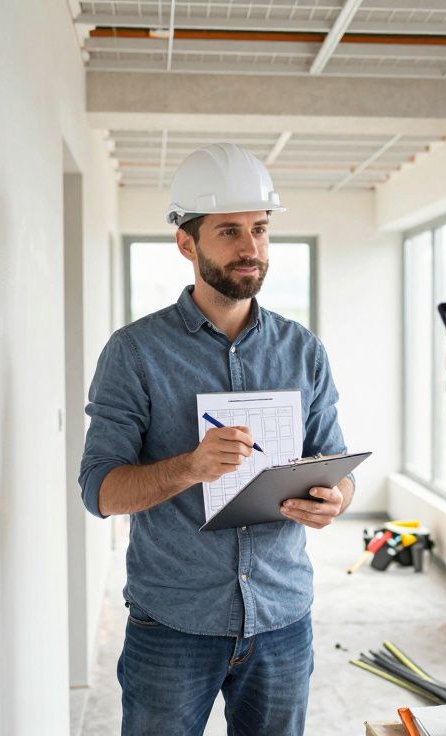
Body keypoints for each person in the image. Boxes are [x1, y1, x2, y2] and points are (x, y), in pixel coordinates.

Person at [78, 142, 354, 736]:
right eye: (229, 231)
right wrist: (190, 467)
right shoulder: (135, 353)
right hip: (173, 625)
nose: (250, 247)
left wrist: (335, 499)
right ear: (187, 243)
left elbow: (337, 465)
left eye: (259, 228)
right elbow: (100, 491)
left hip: (282, 620)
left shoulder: (303, 350)